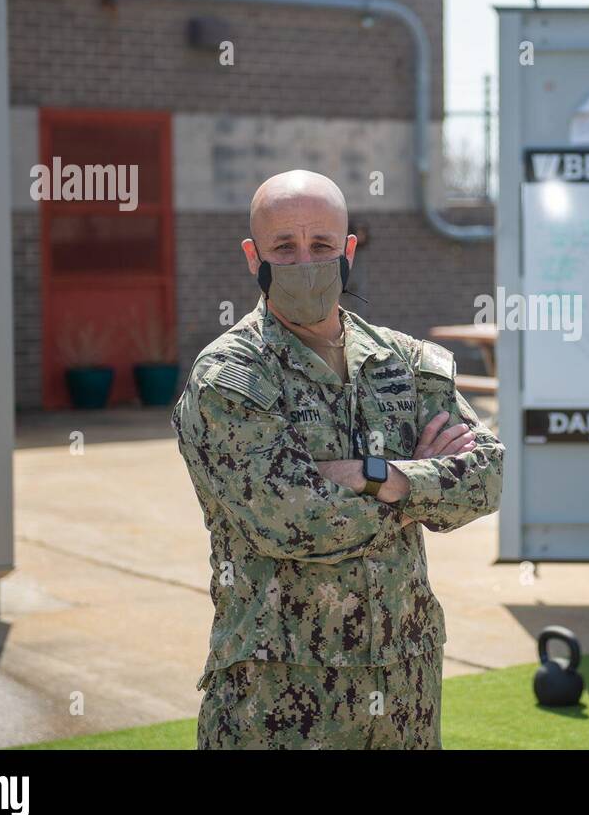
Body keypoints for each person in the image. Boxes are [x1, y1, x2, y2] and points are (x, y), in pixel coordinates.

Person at [173, 170, 504, 749]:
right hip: (279, 700)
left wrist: (375, 475)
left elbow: (486, 478)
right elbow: (291, 521)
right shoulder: (229, 379)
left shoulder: (402, 361)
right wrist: (423, 486)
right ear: (255, 258)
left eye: (322, 245)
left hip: (404, 693)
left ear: (348, 250)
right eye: (285, 247)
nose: (306, 261)